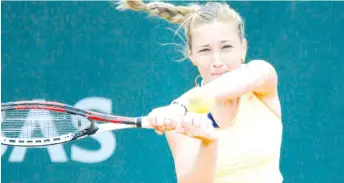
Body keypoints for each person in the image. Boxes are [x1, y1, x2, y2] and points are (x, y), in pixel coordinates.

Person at [116, 1, 283, 183]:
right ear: (192, 55)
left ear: (243, 48)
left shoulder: (263, 75)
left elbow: (239, 81)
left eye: (226, 47)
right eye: (205, 50)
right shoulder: (180, 121)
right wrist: (207, 141)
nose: (217, 61)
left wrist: (179, 107)